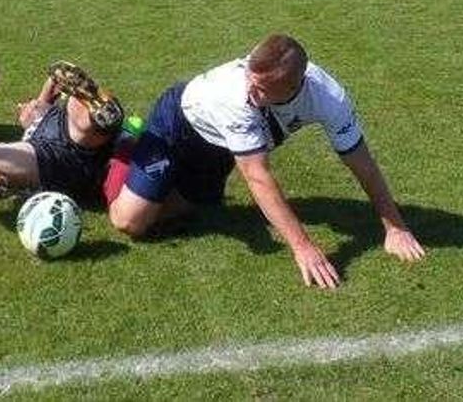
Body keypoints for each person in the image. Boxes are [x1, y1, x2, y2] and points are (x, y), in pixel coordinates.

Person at [105, 34, 426, 289]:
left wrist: (394, 226)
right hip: (179, 124)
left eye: (261, 89)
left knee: (198, 208)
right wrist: (303, 247)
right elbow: (257, 176)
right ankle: (125, 145)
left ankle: (149, 180)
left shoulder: (329, 97)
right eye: (250, 80)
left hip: (218, 148)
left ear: (292, 87)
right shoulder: (235, 98)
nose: (250, 92)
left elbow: (361, 162)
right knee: (130, 222)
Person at [0, 61, 129, 203]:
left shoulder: (47, 111)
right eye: (24, 106)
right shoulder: (31, 135)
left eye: (26, 103)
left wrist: (44, 97)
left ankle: (103, 112)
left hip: (68, 145)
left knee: (75, 110)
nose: (24, 105)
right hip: (51, 158)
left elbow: (57, 77)